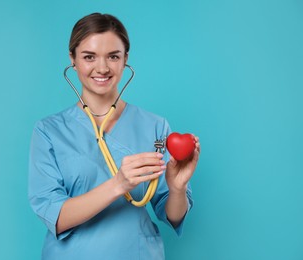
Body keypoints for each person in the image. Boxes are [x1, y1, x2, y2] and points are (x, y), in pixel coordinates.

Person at [29, 13, 200, 259]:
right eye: (89, 57)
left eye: (113, 56)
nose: (102, 68)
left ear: (125, 59)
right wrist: (119, 184)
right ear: (73, 60)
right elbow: (54, 215)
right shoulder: (49, 131)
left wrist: (177, 188)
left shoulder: (156, 129)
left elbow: (172, 214)